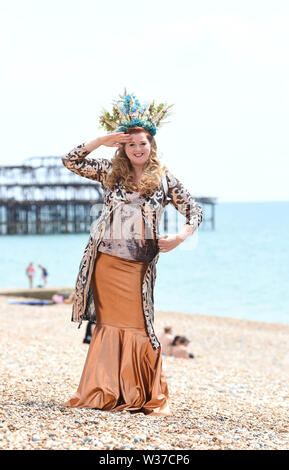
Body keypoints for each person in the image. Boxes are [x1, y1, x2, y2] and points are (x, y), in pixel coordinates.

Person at [60, 89, 203, 416]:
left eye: (143, 144)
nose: (138, 149)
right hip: (106, 264)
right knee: (108, 325)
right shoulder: (110, 172)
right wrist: (102, 139)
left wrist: (180, 237)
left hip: (139, 267)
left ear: (151, 146)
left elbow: (195, 211)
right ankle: (105, 390)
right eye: (131, 144)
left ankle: (140, 394)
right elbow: (70, 161)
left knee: (142, 327)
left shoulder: (165, 180)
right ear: (123, 148)